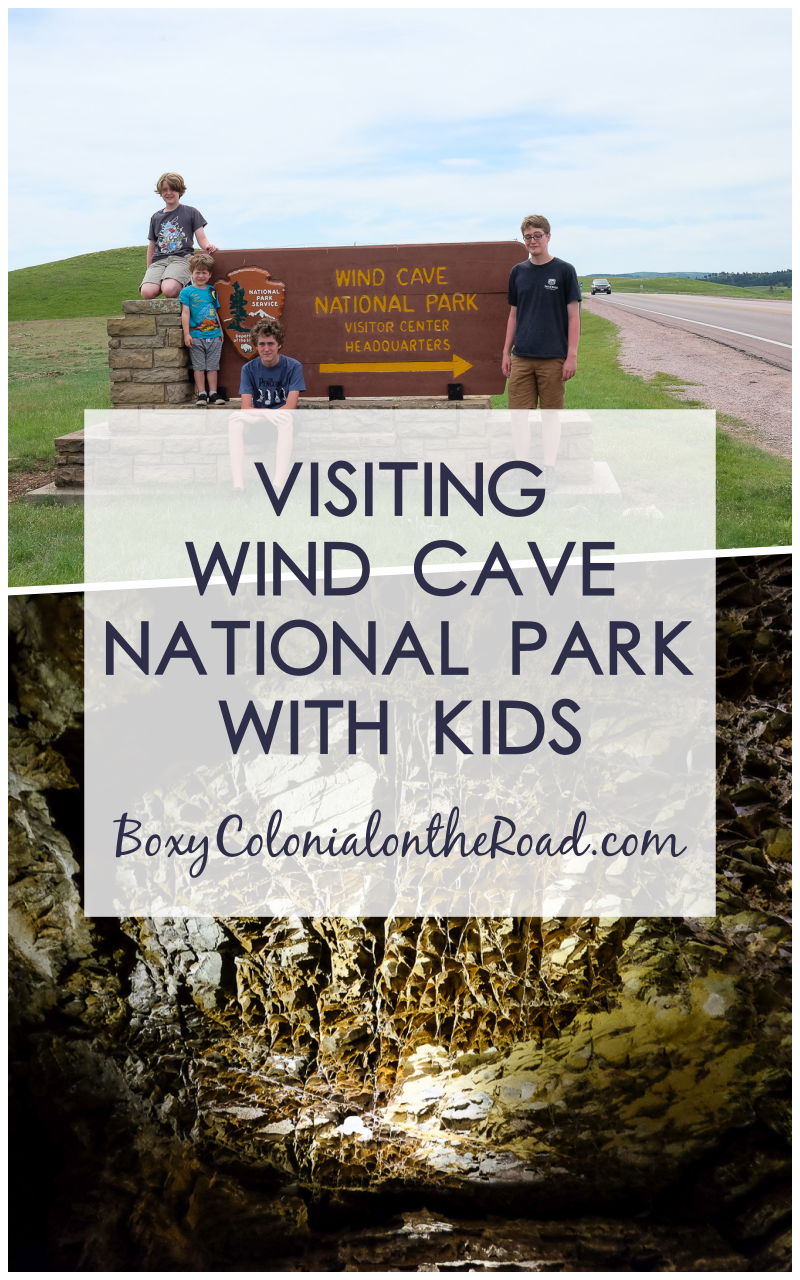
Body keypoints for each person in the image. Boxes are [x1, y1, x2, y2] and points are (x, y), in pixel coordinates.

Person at [501, 215, 581, 487]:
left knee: (550, 415)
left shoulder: (564, 271)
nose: (533, 240)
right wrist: (505, 353)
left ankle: (549, 469)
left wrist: (571, 355)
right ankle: (522, 468)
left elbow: (574, 317)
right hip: (522, 356)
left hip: (553, 358)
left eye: (537, 235)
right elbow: (513, 315)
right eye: (528, 237)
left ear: (548, 236)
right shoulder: (518, 272)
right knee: (518, 416)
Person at [227, 319, 306, 500]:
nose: (266, 349)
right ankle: (238, 489)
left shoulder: (293, 367)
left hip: (285, 422)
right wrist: (265, 414)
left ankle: (277, 488)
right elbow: (245, 407)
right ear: (256, 345)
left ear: (279, 345)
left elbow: (290, 407)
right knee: (235, 423)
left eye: (271, 344)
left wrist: (258, 417)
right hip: (262, 421)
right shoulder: (248, 369)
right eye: (262, 344)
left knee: (285, 421)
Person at [140, 172, 218, 300]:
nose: (168, 192)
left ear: (180, 191)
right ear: (160, 192)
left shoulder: (191, 212)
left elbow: (201, 238)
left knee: (169, 290)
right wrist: (149, 269)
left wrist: (208, 246)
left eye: (173, 189)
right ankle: (169, 281)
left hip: (181, 258)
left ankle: (183, 283)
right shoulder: (156, 217)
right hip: (159, 261)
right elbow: (152, 246)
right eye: (165, 189)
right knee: (147, 292)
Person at [180, 253, 226, 405]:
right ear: (192, 273)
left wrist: (221, 331)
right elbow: (185, 313)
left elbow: (215, 312)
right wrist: (186, 333)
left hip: (214, 335)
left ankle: (213, 394)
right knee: (199, 367)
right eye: (197, 272)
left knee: (212, 367)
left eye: (204, 273)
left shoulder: (212, 291)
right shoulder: (187, 292)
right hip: (196, 335)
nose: (201, 276)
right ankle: (202, 394)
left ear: (209, 274)